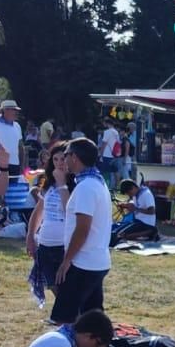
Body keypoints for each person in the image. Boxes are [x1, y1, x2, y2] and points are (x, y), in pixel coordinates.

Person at [53, 138, 112, 325]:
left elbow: (82, 229)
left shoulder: (86, 187)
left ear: (75, 157)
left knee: (66, 319)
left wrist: (67, 260)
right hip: (96, 260)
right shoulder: (97, 182)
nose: (64, 160)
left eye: (66, 155)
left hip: (83, 262)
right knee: (93, 319)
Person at [25, 140, 69, 311]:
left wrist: (62, 184)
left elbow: (69, 212)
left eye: (63, 159)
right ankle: (69, 319)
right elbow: (39, 211)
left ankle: (71, 320)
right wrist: (30, 235)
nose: (59, 163)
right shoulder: (48, 184)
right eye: (56, 159)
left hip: (64, 244)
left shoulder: (74, 184)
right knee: (52, 284)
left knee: (65, 287)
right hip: (45, 242)